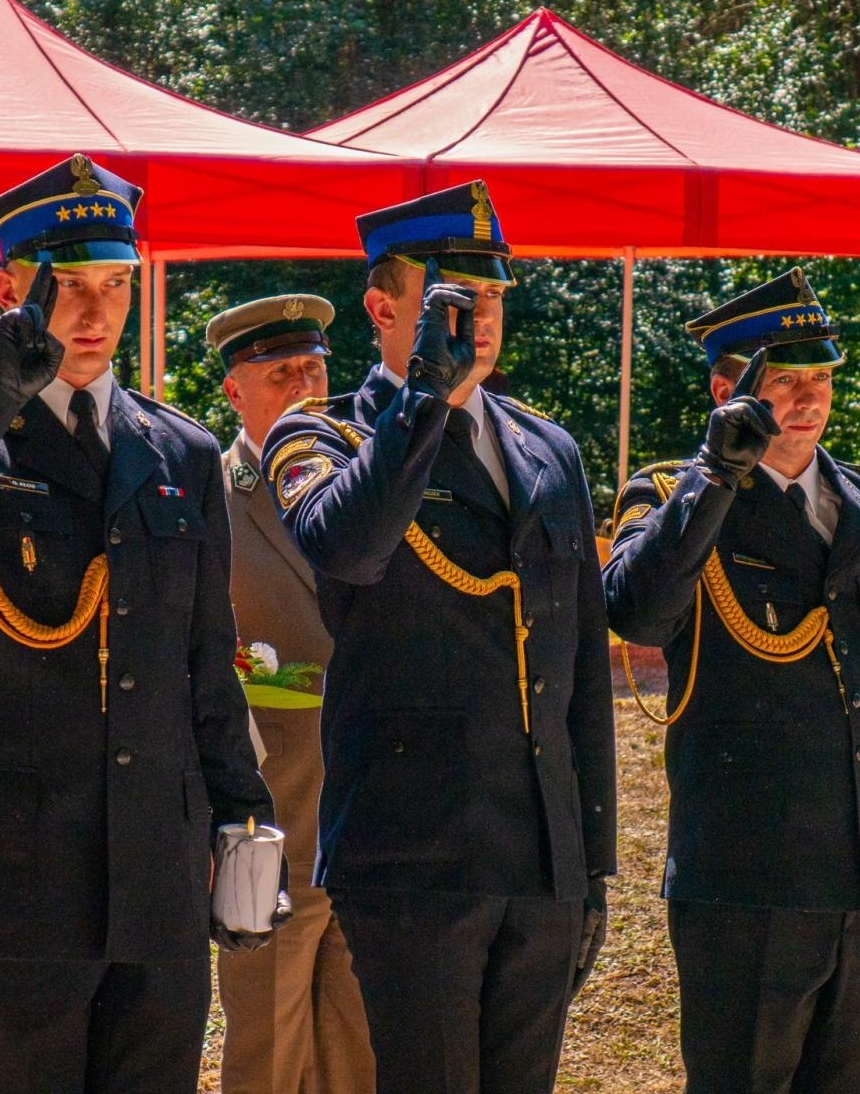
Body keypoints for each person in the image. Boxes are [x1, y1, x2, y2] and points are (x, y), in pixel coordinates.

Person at [0, 155, 278, 1094]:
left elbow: (204, 663)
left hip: (154, 857)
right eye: (68, 285)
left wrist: (242, 816)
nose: (94, 311)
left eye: (115, 285)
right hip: (10, 874)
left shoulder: (178, 449)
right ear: (9, 287)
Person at [262, 181, 617, 1094]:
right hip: (410, 852)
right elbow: (347, 550)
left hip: (537, 852)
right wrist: (423, 395)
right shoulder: (324, 433)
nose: (480, 319)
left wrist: (590, 863)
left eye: (492, 295)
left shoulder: (549, 450)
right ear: (384, 308)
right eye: (454, 299)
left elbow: (578, 670)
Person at [602, 268, 860, 1094]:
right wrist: (714, 476)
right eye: (786, 381)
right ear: (729, 389)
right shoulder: (671, 496)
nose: (808, 399)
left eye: (821, 379)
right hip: (746, 887)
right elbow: (639, 615)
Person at [204, 294, 375, 1094]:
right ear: (235, 392)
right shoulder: (208, 493)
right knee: (268, 1033)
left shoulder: (368, 477)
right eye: (281, 374)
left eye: (315, 369)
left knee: (362, 1032)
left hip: (373, 793)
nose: (306, 388)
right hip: (269, 800)